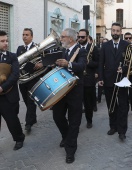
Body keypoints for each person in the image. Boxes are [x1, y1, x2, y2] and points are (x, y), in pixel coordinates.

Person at [52, 28, 87, 163]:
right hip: (61, 90)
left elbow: (82, 66)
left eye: (62, 37)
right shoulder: (63, 50)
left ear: (70, 39)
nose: (60, 39)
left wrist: (69, 64)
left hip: (75, 91)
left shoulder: (81, 50)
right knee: (57, 116)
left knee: (74, 121)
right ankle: (66, 137)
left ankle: (70, 150)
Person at [98, 22, 129, 141]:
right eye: (113, 30)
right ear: (111, 31)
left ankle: (122, 131)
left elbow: (129, 63)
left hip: (122, 80)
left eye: (117, 31)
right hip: (108, 79)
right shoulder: (105, 46)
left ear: (121, 32)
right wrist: (100, 78)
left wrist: (124, 69)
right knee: (111, 105)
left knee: (123, 106)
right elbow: (101, 63)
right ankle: (113, 126)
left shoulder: (127, 45)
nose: (115, 33)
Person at [0, 30, 25, 150]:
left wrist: (2, 87)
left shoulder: (12, 56)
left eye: (6, 41)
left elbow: (15, 75)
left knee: (12, 121)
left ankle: (19, 138)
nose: (6, 43)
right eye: (2, 41)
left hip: (8, 96)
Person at [16, 28, 43, 132]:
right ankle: (33, 117)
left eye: (27, 34)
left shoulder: (37, 47)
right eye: (23, 34)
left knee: (31, 101)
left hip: (33, 79)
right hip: (23, 80)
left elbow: (45, 59)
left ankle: (28, 123)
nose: (24, 36)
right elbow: (17, 62)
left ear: (32, 36)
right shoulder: (19, 48)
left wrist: (41, 64)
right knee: (27, 101)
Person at [78, 29, 99, 128]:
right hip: (77, 79)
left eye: (82, 37)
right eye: (79, 37)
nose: (80, 39)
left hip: (88, 79)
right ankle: (76, 122)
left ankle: (89, 120)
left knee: (88, 103)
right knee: (76, 103)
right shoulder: (76, 48)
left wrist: (88, 63)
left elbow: (97, 63)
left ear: (87, 37)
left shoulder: (93, 48)